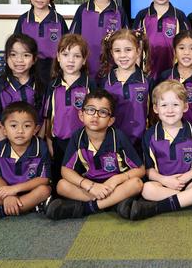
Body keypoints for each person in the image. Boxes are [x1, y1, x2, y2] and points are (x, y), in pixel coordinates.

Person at [45, 89, 145, 220]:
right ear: (81, 115)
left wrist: (116, 180)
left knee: (136, 184)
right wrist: (89, 185)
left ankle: (87, 208)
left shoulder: (118, 137)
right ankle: (112, 204)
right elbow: (65, 170)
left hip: (115, 186)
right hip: (90, 186)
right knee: (61, 185)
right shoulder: (78, 137)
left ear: (110, 120)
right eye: (90, 110)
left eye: (103, 112)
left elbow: (140, 170)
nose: (95, 116)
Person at [129, 80, 192, 220]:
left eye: (175, 105)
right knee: (147, 189)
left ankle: (159, 207)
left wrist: (183, 179)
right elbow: (149, 170)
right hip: (163, 182)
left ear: (185, 107)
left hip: (188, 182)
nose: (170, 110)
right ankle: (189, 200)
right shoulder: (150, 135)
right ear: (156, 109)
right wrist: (166, 180)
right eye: (164, 105)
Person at [43, 34, 94, 185]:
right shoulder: (52, 85)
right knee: (59, 179)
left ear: (84, 60)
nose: (70, 60)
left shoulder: (89, 85)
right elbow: (47, 115)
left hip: (83, 142)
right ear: (58, 57)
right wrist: (48, 141)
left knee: (82, 177)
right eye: (65, 54)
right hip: (59, 141)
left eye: (76, 56)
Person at [70, 0, 128, 80]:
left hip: (113, 73)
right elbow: (71, 41)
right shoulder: (83, 10)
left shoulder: (119, 11)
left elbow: (128, 41)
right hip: (85, 72)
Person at [99, 29, 153, 153]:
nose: (123, 55)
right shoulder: (104, 81)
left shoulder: (148, 81)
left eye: (128, 50)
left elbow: (154, 114)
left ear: (138, 51)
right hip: (111, 143)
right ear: (111, 53)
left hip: (141, 143)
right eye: (117, 51)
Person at [158, 31, 192, 144]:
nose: (186, 53)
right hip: (166, 138)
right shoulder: (165, 77)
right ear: (174, 51)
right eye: (182, 48)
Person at [133, 0, 189, 79]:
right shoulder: (142, 15)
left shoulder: (179, 16)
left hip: (173, 75)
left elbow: (186, 45)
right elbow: (135, 45)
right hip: (147, 75)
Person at [0, 34, 44, 141]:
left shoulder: (41, 86)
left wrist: (39, 143)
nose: (19, 60)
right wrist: (3, 144)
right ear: (6, 57)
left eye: (26, 55)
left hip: (34, 139)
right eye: (13, 54)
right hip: (7, 139)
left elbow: (44, 118)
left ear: (34, 59)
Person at [14, 0, 68, 86]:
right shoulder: (23, 20)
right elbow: (15, 47)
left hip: (54, 71)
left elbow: (67, 48)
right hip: (29, 70)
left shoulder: (59, 20)